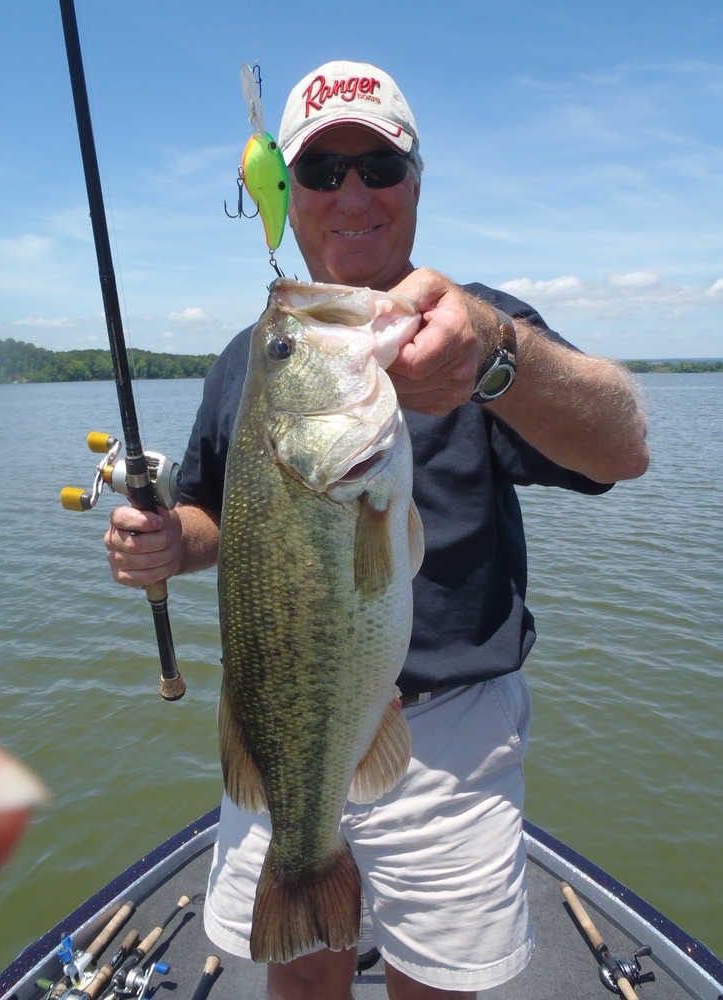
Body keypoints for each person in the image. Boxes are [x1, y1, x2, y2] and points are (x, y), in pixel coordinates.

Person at [105, 61, 649, 1000]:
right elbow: (207, 517)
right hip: (285, 729)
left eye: (377, 166)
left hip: (450, 744)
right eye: (321, 173)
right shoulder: (252, 360)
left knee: (435, 984)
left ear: (415, 183)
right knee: (302, 967)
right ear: (290, 195)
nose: (351, 193)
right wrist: (169, 542)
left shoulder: (478, 327)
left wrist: (498, 359)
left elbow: (623, 448)